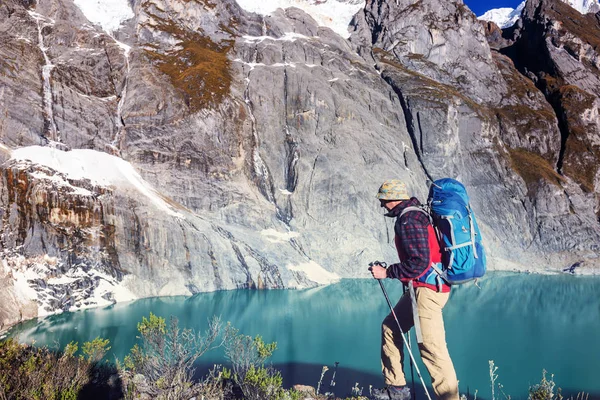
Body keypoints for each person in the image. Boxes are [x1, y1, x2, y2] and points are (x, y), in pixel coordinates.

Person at [369, 179, 459, 400]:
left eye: (383, 201)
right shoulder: (415, 214)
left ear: (392, 199)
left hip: (427, 291)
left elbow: (419, 262)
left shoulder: (409, 220)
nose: (382, 205)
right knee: (390, 327)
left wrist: (387, 272)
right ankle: (396, 389)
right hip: (422, 288)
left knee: (432, 349)